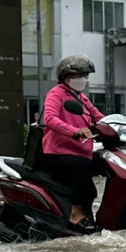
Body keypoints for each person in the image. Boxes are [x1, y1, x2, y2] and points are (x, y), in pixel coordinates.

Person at [40, 55, 115, 227]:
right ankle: (75, 214)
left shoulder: (82, 98)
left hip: (81, 152)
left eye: (85, 75)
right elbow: (50, 118)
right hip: (58, 153)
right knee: (82, 167)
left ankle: (97, 214)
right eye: (77, 76)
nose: (82, 79)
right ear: (65, 77)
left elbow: (99, 117)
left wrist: (120, 126)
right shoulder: (56, 94)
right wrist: (75, 131)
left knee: (107, 165)